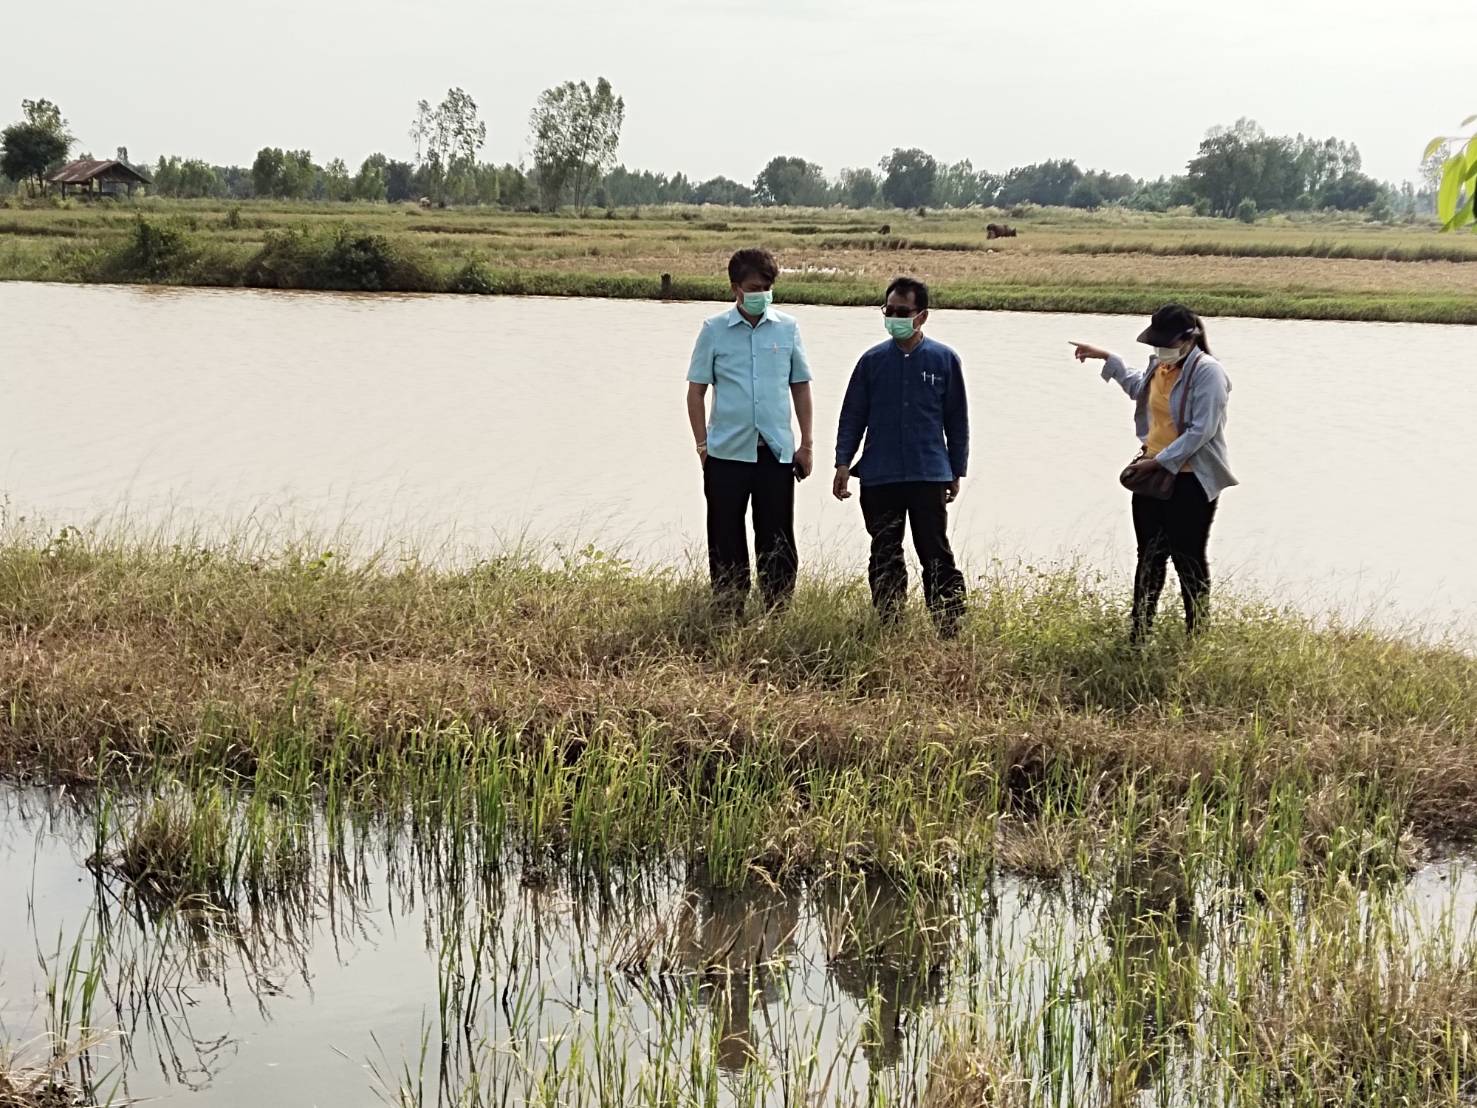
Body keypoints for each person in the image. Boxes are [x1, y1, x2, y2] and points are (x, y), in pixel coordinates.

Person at [1071, 304, 1236, 641]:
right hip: (1152, 474)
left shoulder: (1208, 373)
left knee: (1188, 558)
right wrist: (1108, 359)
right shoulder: (1160, 366)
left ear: (1189, 339)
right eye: (1156, 343)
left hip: (1191, 479)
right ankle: (1139, 634)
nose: (1160, 349)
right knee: (1149, 556)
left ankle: (1197, 635)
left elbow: (1201, 430)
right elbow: (1139, 389)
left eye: (1166, 343)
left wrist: (1159, 462)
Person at [833, 276, 968, 636]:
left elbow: (957, 420)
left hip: (928, 472)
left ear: (921, 316)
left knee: (935, 552)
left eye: (902, 312)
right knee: (885, 552)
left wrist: (956, 470)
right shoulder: (871, 361)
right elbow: (852, 416)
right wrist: (843, 462)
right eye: (889, 311)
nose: (894, 318)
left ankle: (950, 627)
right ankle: (889, 625)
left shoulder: (944, 360)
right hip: (880, 475)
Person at [686, 248, 814, 615]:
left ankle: (777, 609)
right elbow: (696, 392)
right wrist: (702, 446)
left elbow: (800, 386)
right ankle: (729, 608)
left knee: (777, 535)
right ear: (735, 288)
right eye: (755, 287)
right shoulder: (714, 330)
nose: (762, 294)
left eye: (767, 287)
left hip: (775, 451)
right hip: (726, 452)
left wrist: (807, 444)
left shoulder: (787, 328)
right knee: (725, 535)